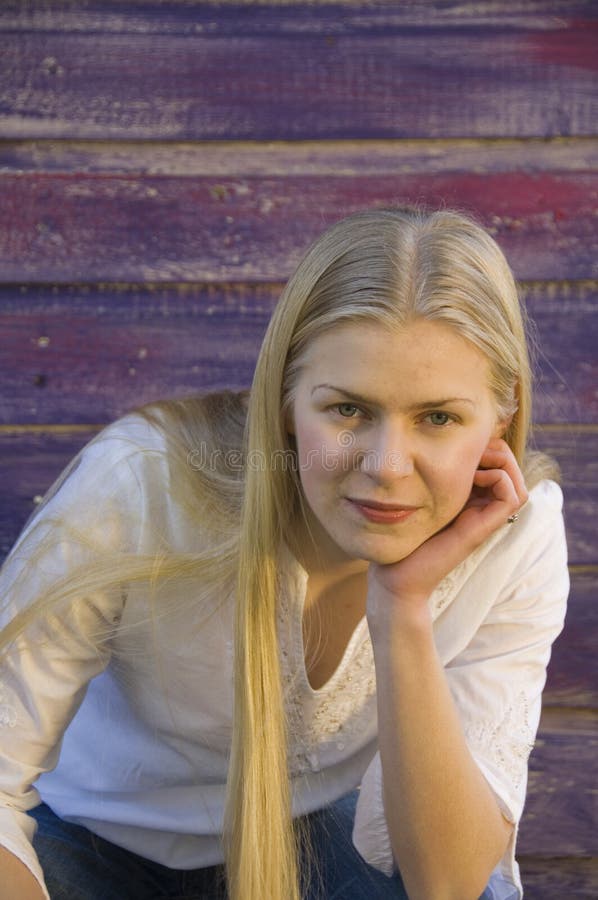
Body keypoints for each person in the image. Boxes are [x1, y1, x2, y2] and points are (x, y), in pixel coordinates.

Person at [0, 207, 568, 900]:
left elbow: (448, 884)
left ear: (501, 416)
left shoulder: (519, 533)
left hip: (312, 844)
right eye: (348, 410)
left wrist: (404, 608)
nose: (388, 466)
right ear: (284, 404)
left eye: (439, 418)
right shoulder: (141, 485)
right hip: (89, 841)